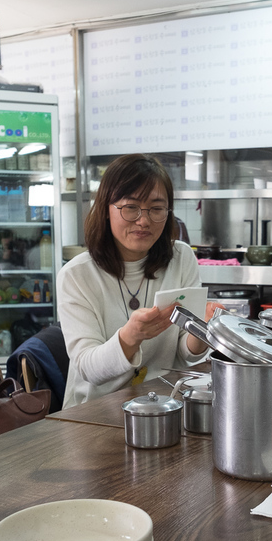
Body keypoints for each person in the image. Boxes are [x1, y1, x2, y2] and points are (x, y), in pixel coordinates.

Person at [57, 154, 211, 407]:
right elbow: (88, 369)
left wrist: (203, 331)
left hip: (163, 404)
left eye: (157, 209)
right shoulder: (77, 275)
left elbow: (183, 354)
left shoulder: (181, 258)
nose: (144, 220)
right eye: (130, 207)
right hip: (93, 414)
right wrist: (130, 336)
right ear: (106, 209)